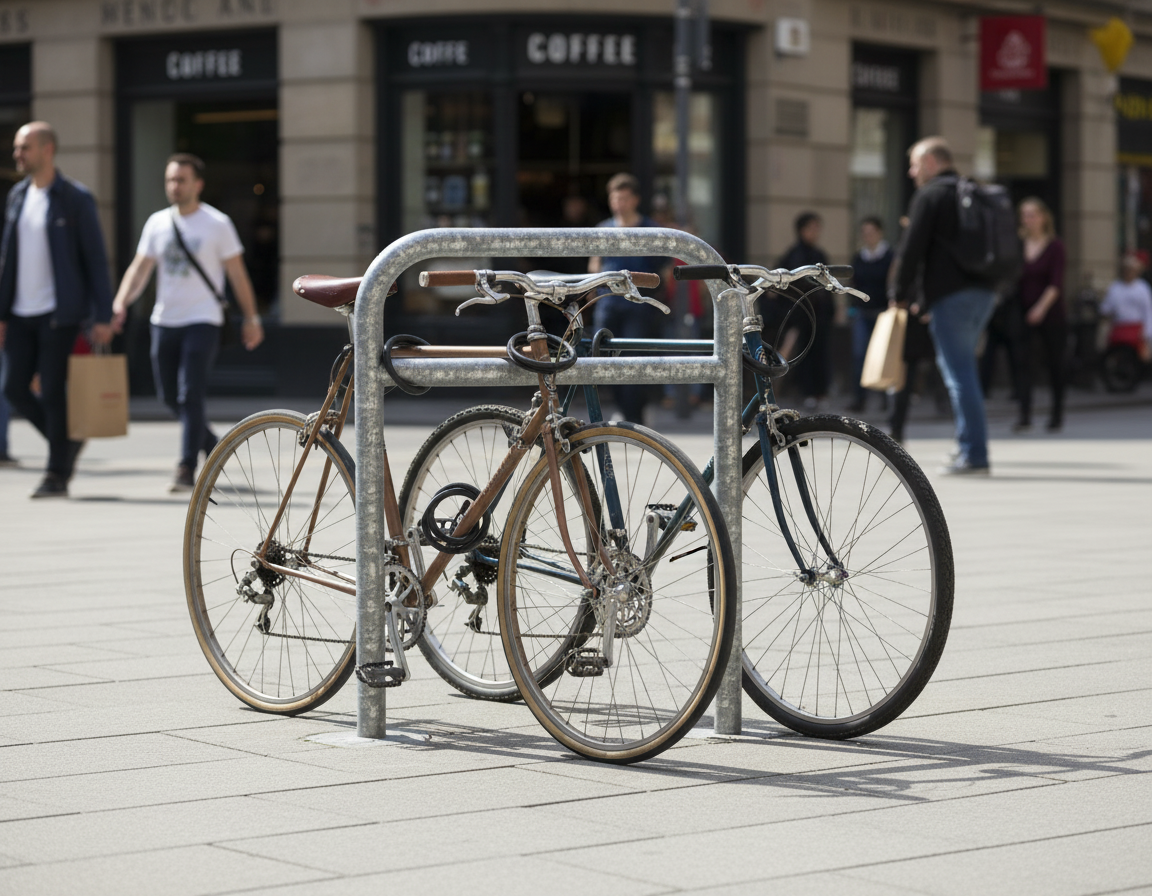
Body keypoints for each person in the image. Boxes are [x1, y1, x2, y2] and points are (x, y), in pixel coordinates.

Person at [111, 153, 264, 492]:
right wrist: (121, 302)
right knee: (169, 397)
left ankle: (185, 467)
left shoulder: (217, 223)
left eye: (181, 180)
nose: (174, 186)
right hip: (164, 320)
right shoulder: (157, 223)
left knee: (190, 393)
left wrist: (251, 317)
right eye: (170, 180)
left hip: (203, 320)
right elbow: (139, 269)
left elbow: (237, 275)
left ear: (198, 184)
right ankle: (211, 443)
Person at [0, 121, 114, 498]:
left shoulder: (74, 198)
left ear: (47, 149)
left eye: (23, 147)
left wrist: (102, 315)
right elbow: (7, 259)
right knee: (14, 388)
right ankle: (65, 445)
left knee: (51, 392)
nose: (17, 154)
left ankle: (56, 474)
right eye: (17, 148)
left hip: (60, 313)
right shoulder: (17, 196)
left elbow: (96, 260)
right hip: (19, 312)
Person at [891, 136, 998, 475]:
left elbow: (912, 249)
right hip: (986, 293)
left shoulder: (932, 194)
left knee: (959, 374)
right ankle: (968, 444)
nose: (911, 172)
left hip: (952, 298)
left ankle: (974, 454)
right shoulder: (975, 191)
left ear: (932, 163)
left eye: (915, 164)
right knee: (965, 370)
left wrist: (898, 292)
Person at [588, 173, 669, 424]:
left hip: (639, 304)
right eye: (614, 198)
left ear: (634, 199)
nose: (618, 203)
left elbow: (664, 271)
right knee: (607, 359)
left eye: (623, 198)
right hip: (608, 302)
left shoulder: (650, 229)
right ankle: (624, 410)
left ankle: (634, 415)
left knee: (634, 359)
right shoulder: (603, 229)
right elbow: (594, 266)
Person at [1014, 197, 1067, 433]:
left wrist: (1040, 309)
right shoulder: (1018, 245)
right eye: (1025, 215)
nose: (1029, 219)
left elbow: (1056, 284)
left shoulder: (1055, 246)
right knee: (1023, 363)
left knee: (1055, 363)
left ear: (1044, 217)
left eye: (1033, 214)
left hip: (1051, 314)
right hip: (1023, 313)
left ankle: (1056, 414)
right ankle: (1024, 415)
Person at [773, 212, 831, 409]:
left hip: (817, 316)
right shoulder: (793, 255)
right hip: (799, 316)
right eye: (811, 228)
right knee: (798, 355)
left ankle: (819, 392)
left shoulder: (819, 255)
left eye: (817, 228)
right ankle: (802, 392)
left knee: (819, 354)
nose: (815, 232)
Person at [848, 216, 894, 411]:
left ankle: (886, 398)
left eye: (871, 232)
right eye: (865, 233)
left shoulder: (890, 256)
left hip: (883, 313)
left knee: (884, 356)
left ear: (879, 232)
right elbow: (853, 284)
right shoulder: (858, 258)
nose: (868, 236)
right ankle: (860, 398)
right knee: (860, 355)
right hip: (862, 312)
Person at [1099, 251, 1152, 361]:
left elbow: (1148, 311)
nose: (1128, 272)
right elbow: (1106, 308)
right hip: (1119, 328)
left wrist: (1147, 332)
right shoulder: (1115, 287)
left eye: (1131, 270)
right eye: (1126, 269)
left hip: (1136, 329)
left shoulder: (1142, 288)